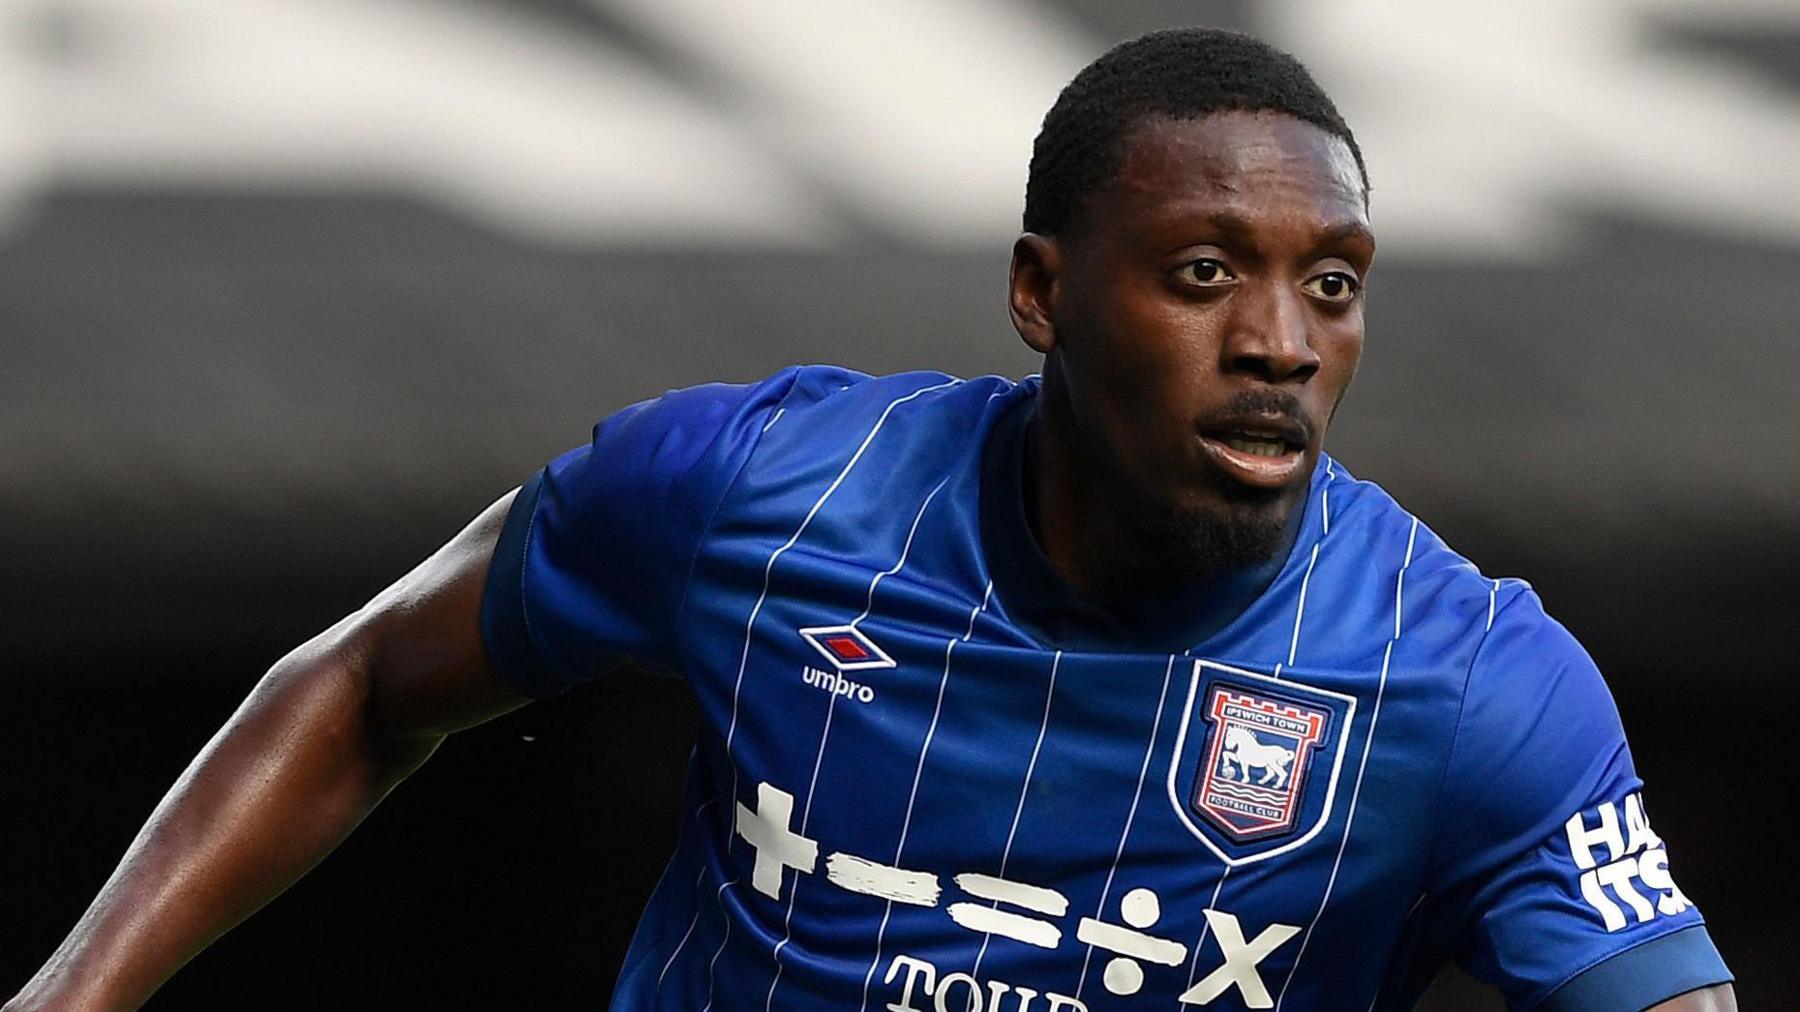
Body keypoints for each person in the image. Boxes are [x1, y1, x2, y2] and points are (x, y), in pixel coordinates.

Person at [7, 28, 1735, 1012]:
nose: (1281, 340)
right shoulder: (763, 493)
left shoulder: (1466, 684)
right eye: (1207, 274)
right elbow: (365, 684)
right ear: (1042, 294)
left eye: (1334, 284)